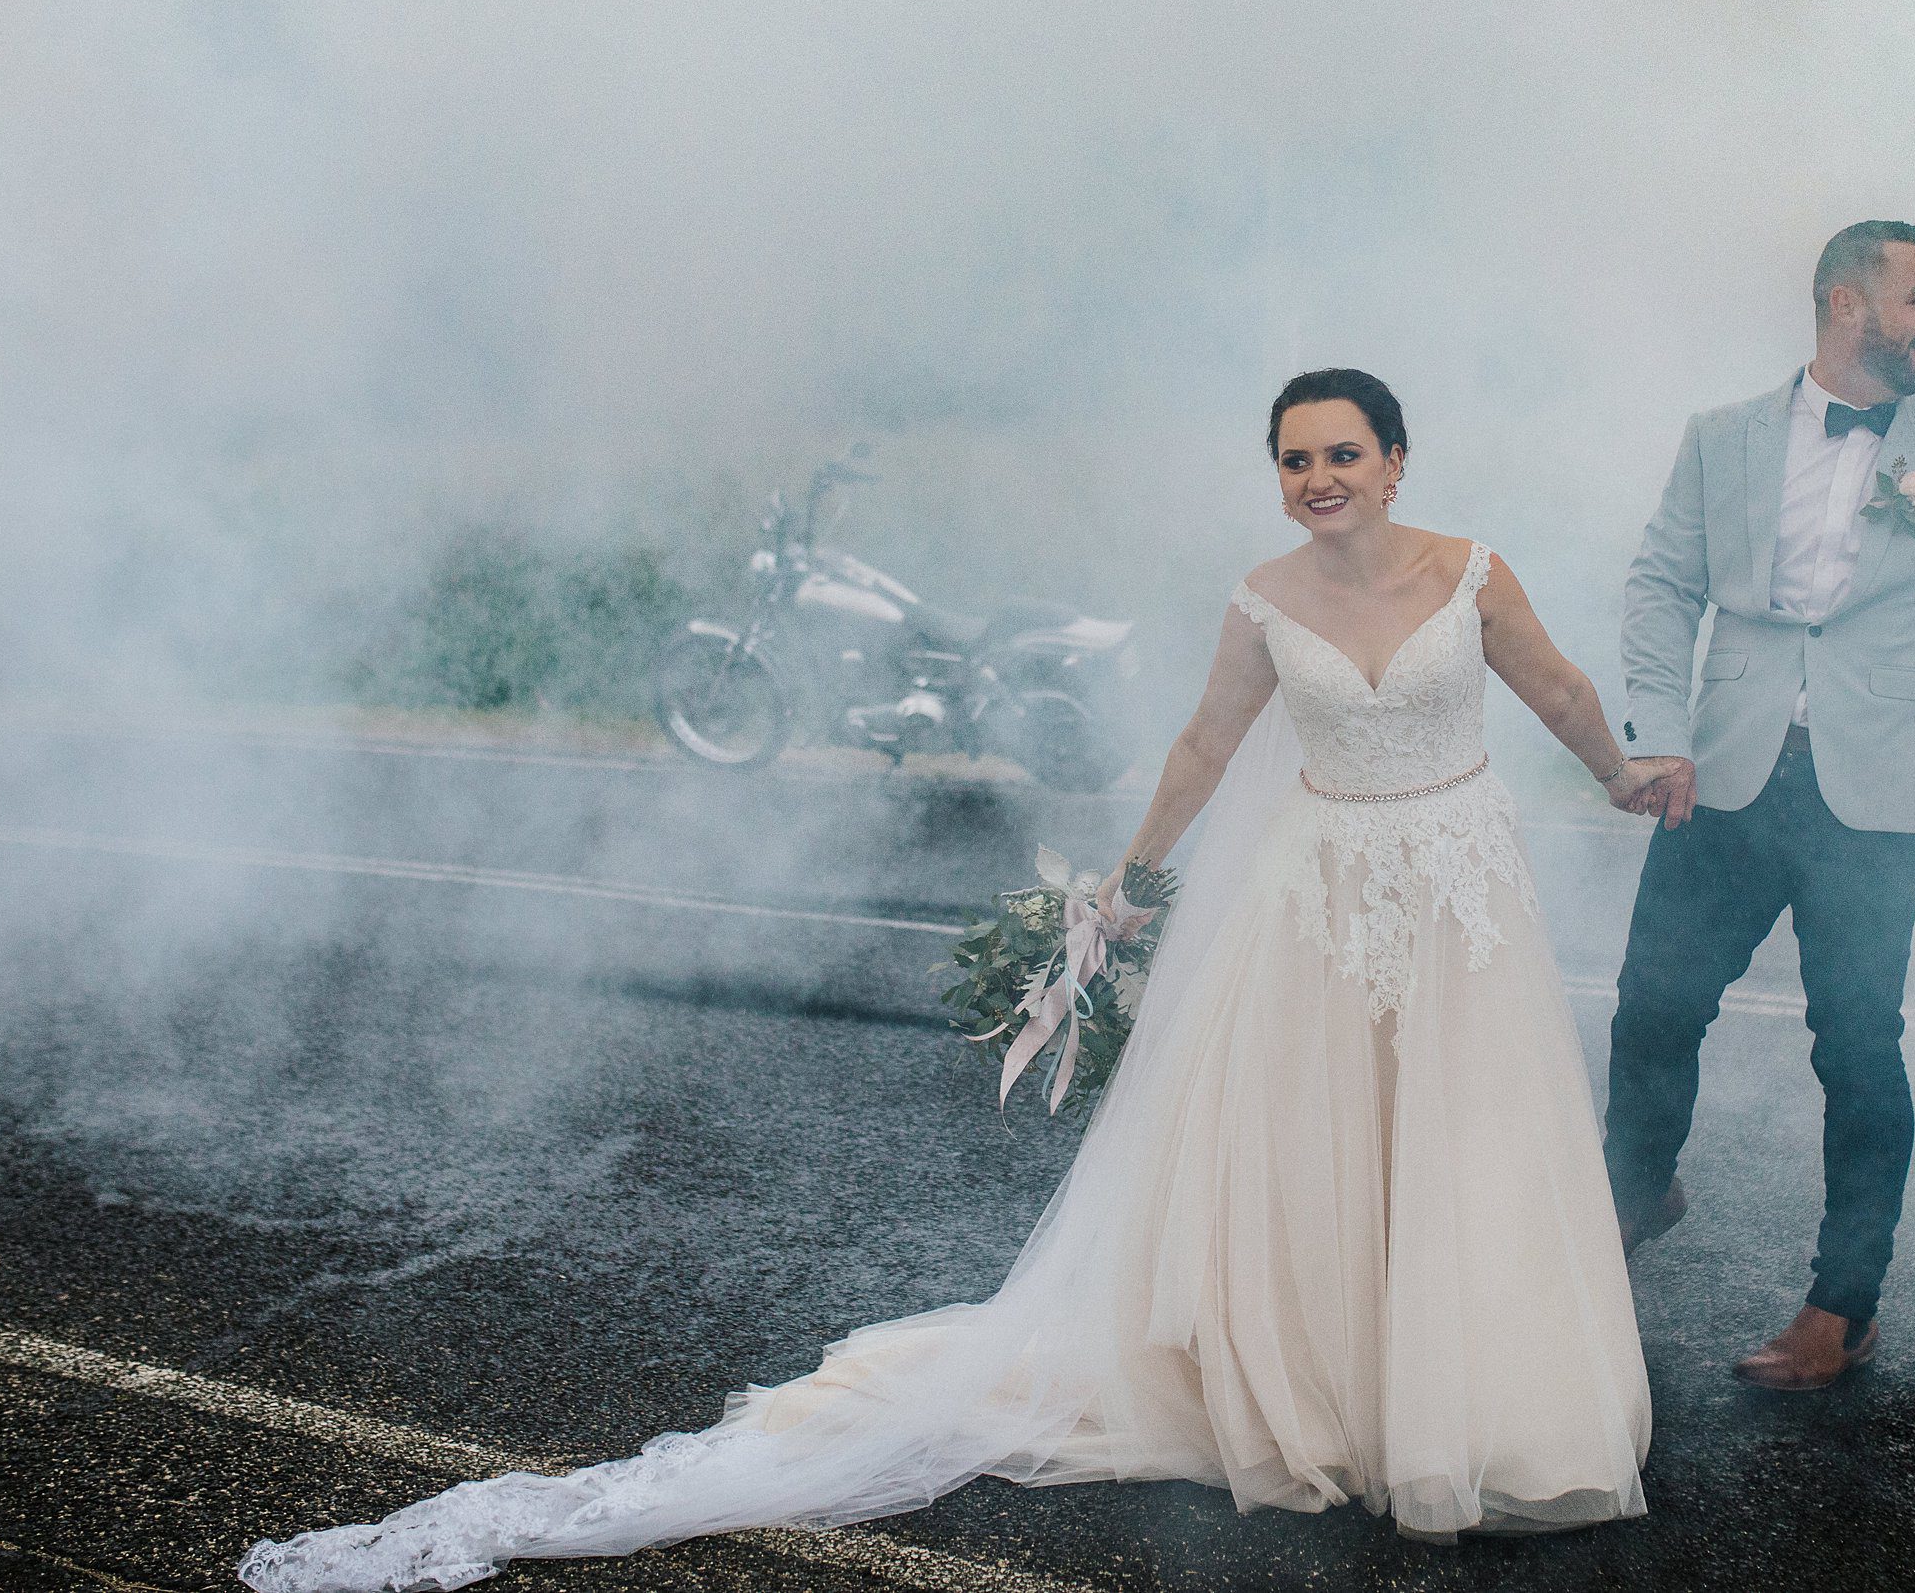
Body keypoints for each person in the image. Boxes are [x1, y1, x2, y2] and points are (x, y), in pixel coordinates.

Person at [241, 367, 1663, 1591]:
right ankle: (1334, 1397)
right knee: (1319, 1150)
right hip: (1315, 893)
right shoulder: (1262, 600)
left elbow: (1557, 690)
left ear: (1396, 458)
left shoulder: (1471, 569)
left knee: (1463, 1138)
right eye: (1294, 457)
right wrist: (1125, 881)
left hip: (1459, 889)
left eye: (1343, 451)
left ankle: (1471, 1402)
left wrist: (1623, 772)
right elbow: (1202, 749)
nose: (1317, 477)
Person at [1604, 220, 1915, 1391]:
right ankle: (1636, 1191)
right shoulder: (1719, 437)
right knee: (1651, 1010)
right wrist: (1659, 735)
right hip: (1720, 769)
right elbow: (1660, 586)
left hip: (1871, 795)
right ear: (1846, 306)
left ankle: (1843, 1304)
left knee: (1860, 1050)